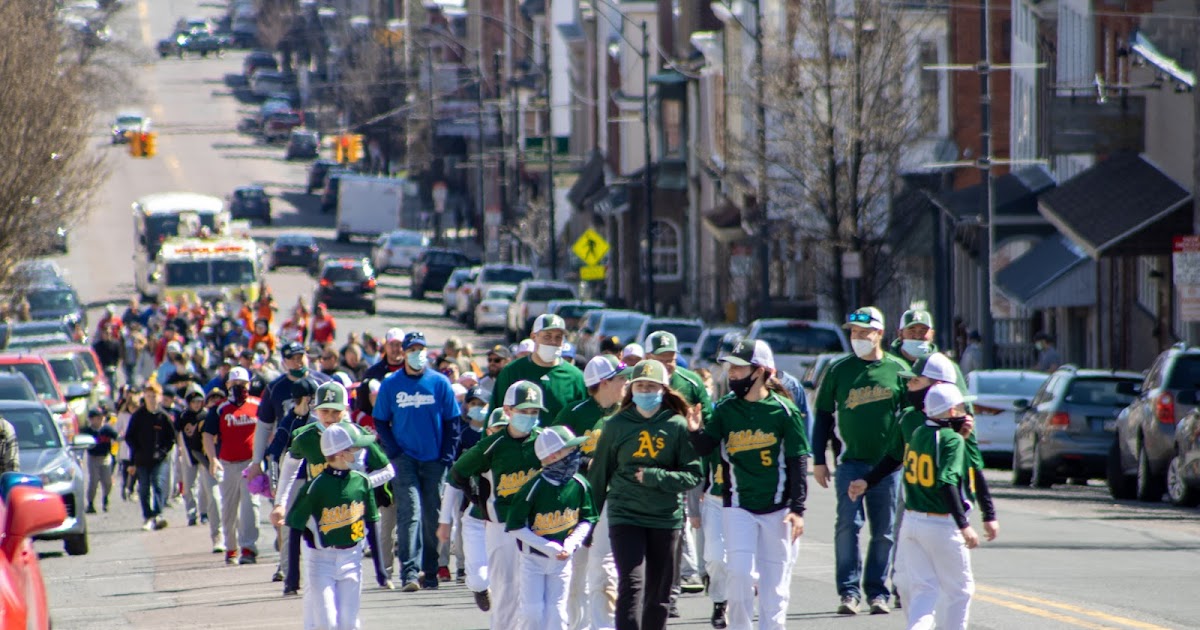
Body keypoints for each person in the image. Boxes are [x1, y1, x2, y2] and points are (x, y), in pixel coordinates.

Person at [687, 340, 808, 630]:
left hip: (778, 509)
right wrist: (694, 430)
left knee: (774, 586)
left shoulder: (784, 411)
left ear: (761, 372)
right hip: (738, 505)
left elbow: (797, 462)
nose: (732, 374)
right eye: (730, 368)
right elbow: (705, 447)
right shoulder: (726, 409)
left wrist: (798, 508)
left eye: (740, 368)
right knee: (739, 575)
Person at [849, 384, 986, 630]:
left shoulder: (918, 433)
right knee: (960, 591)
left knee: (923, 590)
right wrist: (964, 525)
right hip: (941, 523)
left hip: (912, 522)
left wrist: (868, 480)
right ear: (952, 410)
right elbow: (947, 482)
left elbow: (896, 457)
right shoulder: (952, 440)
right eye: (962, 408)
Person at [587, 360, 702, 630]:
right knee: (631, 584)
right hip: (625, 514)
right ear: (632, 389)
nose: (646, 391)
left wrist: (655, 477)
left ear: (663, 389)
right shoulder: (615, 425)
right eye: (641, 386)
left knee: (658, 594)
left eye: (652, 386)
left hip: (664, 518)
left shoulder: (677, 425)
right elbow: (598, 476)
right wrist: (589, 521)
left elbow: (693, 475)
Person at [811, 307, 909, 615]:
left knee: (884, 531)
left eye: (864, 333)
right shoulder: (839, 370)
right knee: (848, 526)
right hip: (849, 462)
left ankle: (878, 592)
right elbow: (824, 417)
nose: (858, 338)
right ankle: (848, 592)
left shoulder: (898, 369)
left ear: (879, 334)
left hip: (887, 467)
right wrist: (819, 459)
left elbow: (909, 417)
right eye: (853, 333)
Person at [273, 382, 396, 595]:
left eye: (335, 411)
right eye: (324, 411)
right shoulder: (306, 435)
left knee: (370, 528)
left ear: (345, 410)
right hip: (319, 499)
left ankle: (382, 575)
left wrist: (362, 482)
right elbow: (290, 468)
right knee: (295, 525)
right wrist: (280, 503)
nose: (329, 417)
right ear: (315, 410)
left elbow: (388, 469)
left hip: (352, 501)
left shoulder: (356, 435)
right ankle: (292, 581)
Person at [445, 381, 547, 628]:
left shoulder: (544, 440)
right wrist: (478, 498)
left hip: (537, 525)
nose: (529, 416)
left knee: (537, 596)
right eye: (523, 411)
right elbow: (457, 473)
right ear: (508, 410)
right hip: (502, 527)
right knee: (506, 593)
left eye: (534, 412)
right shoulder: (493, 444)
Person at [372, 331, 461, 591]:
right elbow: (380, 420)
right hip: (405, 459)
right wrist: (394, 451)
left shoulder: (439, 383)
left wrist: (447, 455)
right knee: (409, 512)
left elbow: (452, 422)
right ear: (405, 353)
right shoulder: (391, 384)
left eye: (421, 349)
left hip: (435, 459)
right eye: (412, 349)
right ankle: (409, 572)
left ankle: (430, 571)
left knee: (432, 516)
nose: (417, 353)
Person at [552, 355, 628, 630]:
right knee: (575, 574)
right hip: (577, 501)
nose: (626, 382)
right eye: (621, 378)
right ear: (604, 382)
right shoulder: (574, 414)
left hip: (613, 498)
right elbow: (551, 454)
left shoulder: (627, 412)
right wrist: (586, 462)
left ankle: (604, 626)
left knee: (605, 570)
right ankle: (577, 626)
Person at [285, 423, 380, 630]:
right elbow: (295, 526)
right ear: (340, 454)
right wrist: (293, 574)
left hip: (352, 557)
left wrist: (380, 569)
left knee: (349, 623)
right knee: (326, 623)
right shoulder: (316, 486)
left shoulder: (362, 482)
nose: (360, 452)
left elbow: (372, 522)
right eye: (355, 448)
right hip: (322, 561)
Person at [643, 331, 711, 607]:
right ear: (649, 358)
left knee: (676, 529)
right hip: (646, 462)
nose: (668, 364)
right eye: (662, 359)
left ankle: (669, 595)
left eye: (671, 359)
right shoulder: (641, 384)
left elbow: (708, 419)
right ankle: (650, 590)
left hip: (680, 466)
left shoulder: (690, 382)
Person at [506, 426, 598, 630]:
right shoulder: (533, 488)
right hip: (533, 559)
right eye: (569, 450)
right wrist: (547, 546)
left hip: (563, 560)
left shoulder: (579, 484)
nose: (576, 454)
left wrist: (572, 543)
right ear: (551, 456)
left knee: (557, 612)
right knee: (532, 613)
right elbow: (515, 526)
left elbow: (588, 518)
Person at [203, 367, 263, 565]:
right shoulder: (219, 409)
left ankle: (248, 547)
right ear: (227, 385)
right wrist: (212, 459)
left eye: (242, 384)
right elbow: (207, 435)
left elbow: (267, 429)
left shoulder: (258, 405)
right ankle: (231, 547)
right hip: (228, 464)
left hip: (250, 464)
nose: (238, 388)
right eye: (234, 384)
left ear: (249, 385)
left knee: (250, 506)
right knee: (228, 508)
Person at [489, 314, 587, 424]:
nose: (553, 342)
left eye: (558, 337)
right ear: (533, 337)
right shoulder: (512, 371)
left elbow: (583, 419)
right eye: (547, 336)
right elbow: (494, 418)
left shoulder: (575, 377)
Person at [125, 382, 177, 531]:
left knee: (158, 484)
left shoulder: (163, 417)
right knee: (144, 488)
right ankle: (147, 516)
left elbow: (171, 438)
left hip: (159, 459)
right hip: (142, 458)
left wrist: (162, 452)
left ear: (159, 397)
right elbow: (130, 437)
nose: (151, 399)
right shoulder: (138, 416)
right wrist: (136, 452)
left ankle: (158, 514)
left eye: (154, 396)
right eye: (148, 396)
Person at [178, 390, 224, 552]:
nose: (215, 403)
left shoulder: (228, 414)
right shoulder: (200, 419)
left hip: (231, 462)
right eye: (212, 400)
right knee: (213, 497)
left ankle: (235, 538)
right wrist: (209, 463)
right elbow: (196, 446)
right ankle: (217, 536)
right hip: (207, 461)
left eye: (219, 399)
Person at [81, 409, 117, 513]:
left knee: (107, 482)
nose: (101, 420)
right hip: (93, 458)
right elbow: (80, 443)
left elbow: (116, 437)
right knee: (94, 481)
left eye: (102, 417)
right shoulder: (87, 431)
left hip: (105, 457)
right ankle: (91, 504)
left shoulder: (106, 429)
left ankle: (106, 498)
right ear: (91, 420)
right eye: (98, 418)